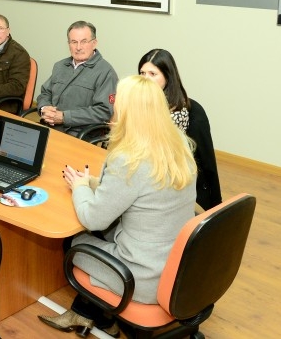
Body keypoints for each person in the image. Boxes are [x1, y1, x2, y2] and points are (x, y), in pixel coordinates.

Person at [38, 75, 197, 336]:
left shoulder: (130, 159)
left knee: (76, 242)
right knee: (105, 232)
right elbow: (142, 191)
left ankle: (97, 315)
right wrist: (92, 181)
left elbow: (92, 218)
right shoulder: (179, 146)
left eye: (117, 102)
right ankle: (93, 317)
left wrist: (79, 188)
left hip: (141, 277)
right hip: (177, 263)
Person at [138, 49, 222, 210]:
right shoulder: (143, 100)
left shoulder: (176, 109)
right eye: (142, 73)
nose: (146, 79)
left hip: (166, 178)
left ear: (167, 76)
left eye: (152, 74)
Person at [36, 21, 118, 136]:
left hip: (78, 134)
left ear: (94, 43)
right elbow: (45, 93)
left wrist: (65, 117)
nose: (78, 47)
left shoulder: (106, 72)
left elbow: (103, 112)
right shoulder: (60, 66)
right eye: (74, 42)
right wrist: (44, 108)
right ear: (68, 44)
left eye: (84, 42)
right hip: (49, 126)